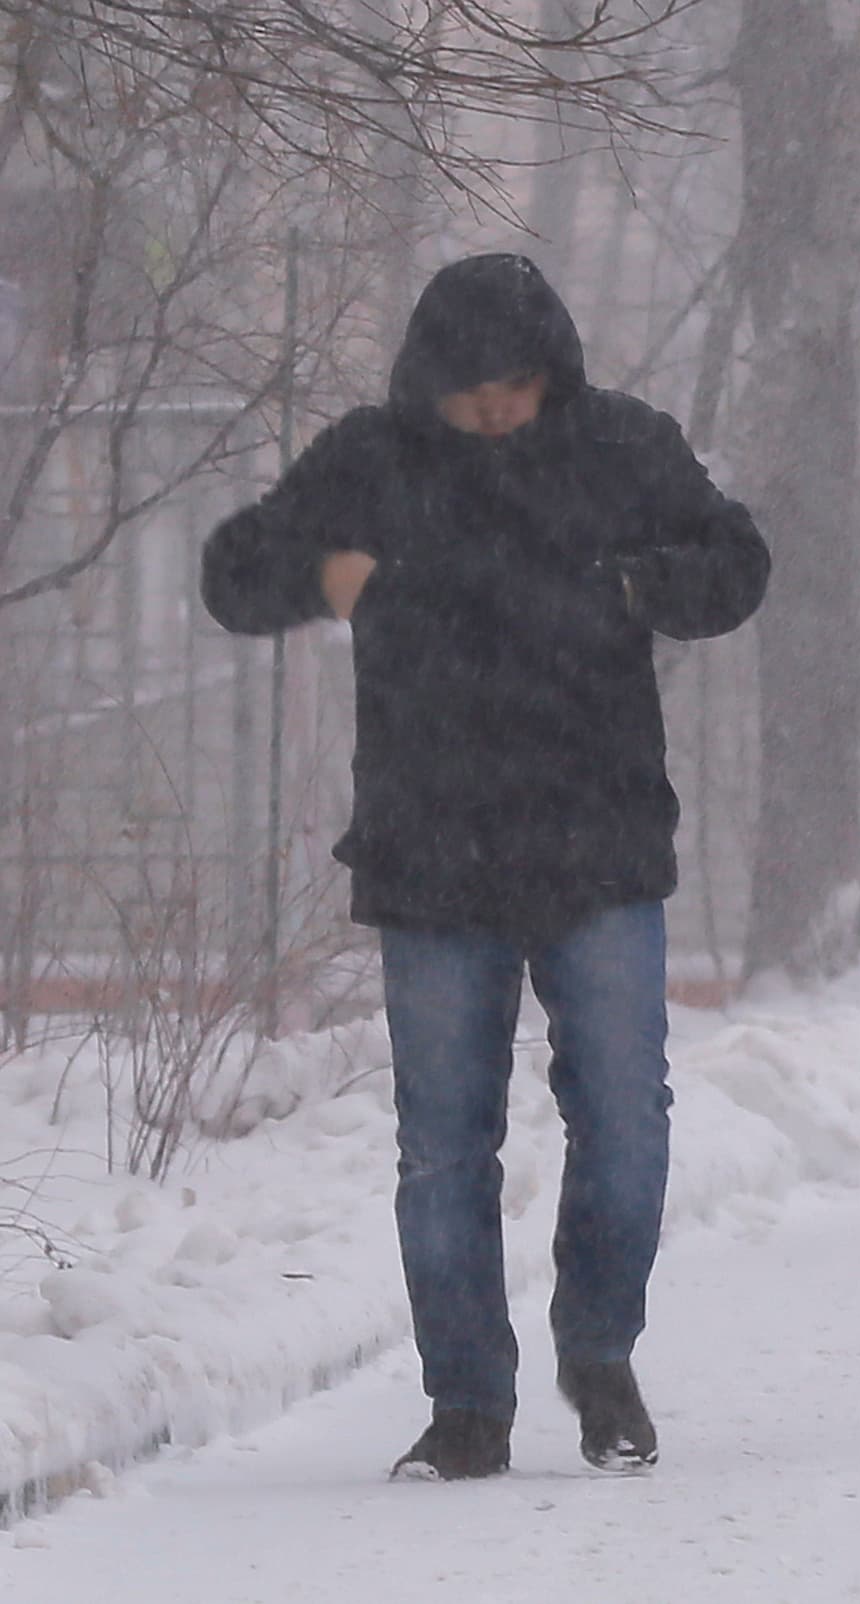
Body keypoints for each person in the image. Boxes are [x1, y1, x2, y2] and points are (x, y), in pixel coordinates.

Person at [201, 253, 771, 1480]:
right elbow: (233, 572)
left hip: (598, 836)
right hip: (432, 848)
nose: (501, 409)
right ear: (432, 385)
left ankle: (599, 1351)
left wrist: (636, 582)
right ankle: (467, 1401)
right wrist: (326, 574)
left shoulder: (622, 446)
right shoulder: (372, 461)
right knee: (443, 1145)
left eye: (518, 384)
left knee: (626, 1118)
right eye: (475, 392)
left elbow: (737, 565)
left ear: (550, 370)